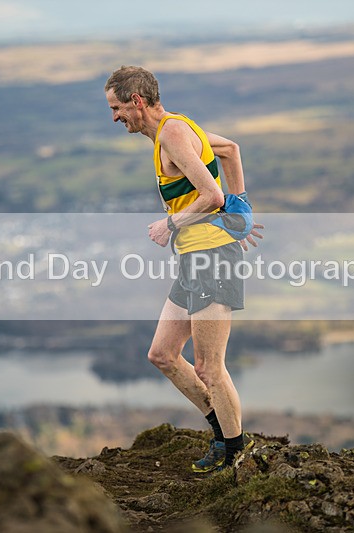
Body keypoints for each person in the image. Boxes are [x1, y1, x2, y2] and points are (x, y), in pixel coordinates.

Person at [104, 66, 262, 472]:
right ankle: (223, 436)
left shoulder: (172, 133)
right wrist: (241, 205)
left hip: (213, 260)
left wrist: (170, 223)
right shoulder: (176, 128)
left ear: (137, 101)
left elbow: (211, 196)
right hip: (195, 261)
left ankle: (233, 453)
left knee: (209, 366)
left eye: (118, 108)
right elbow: (230, 150)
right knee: (162, 355)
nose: (115, 117)